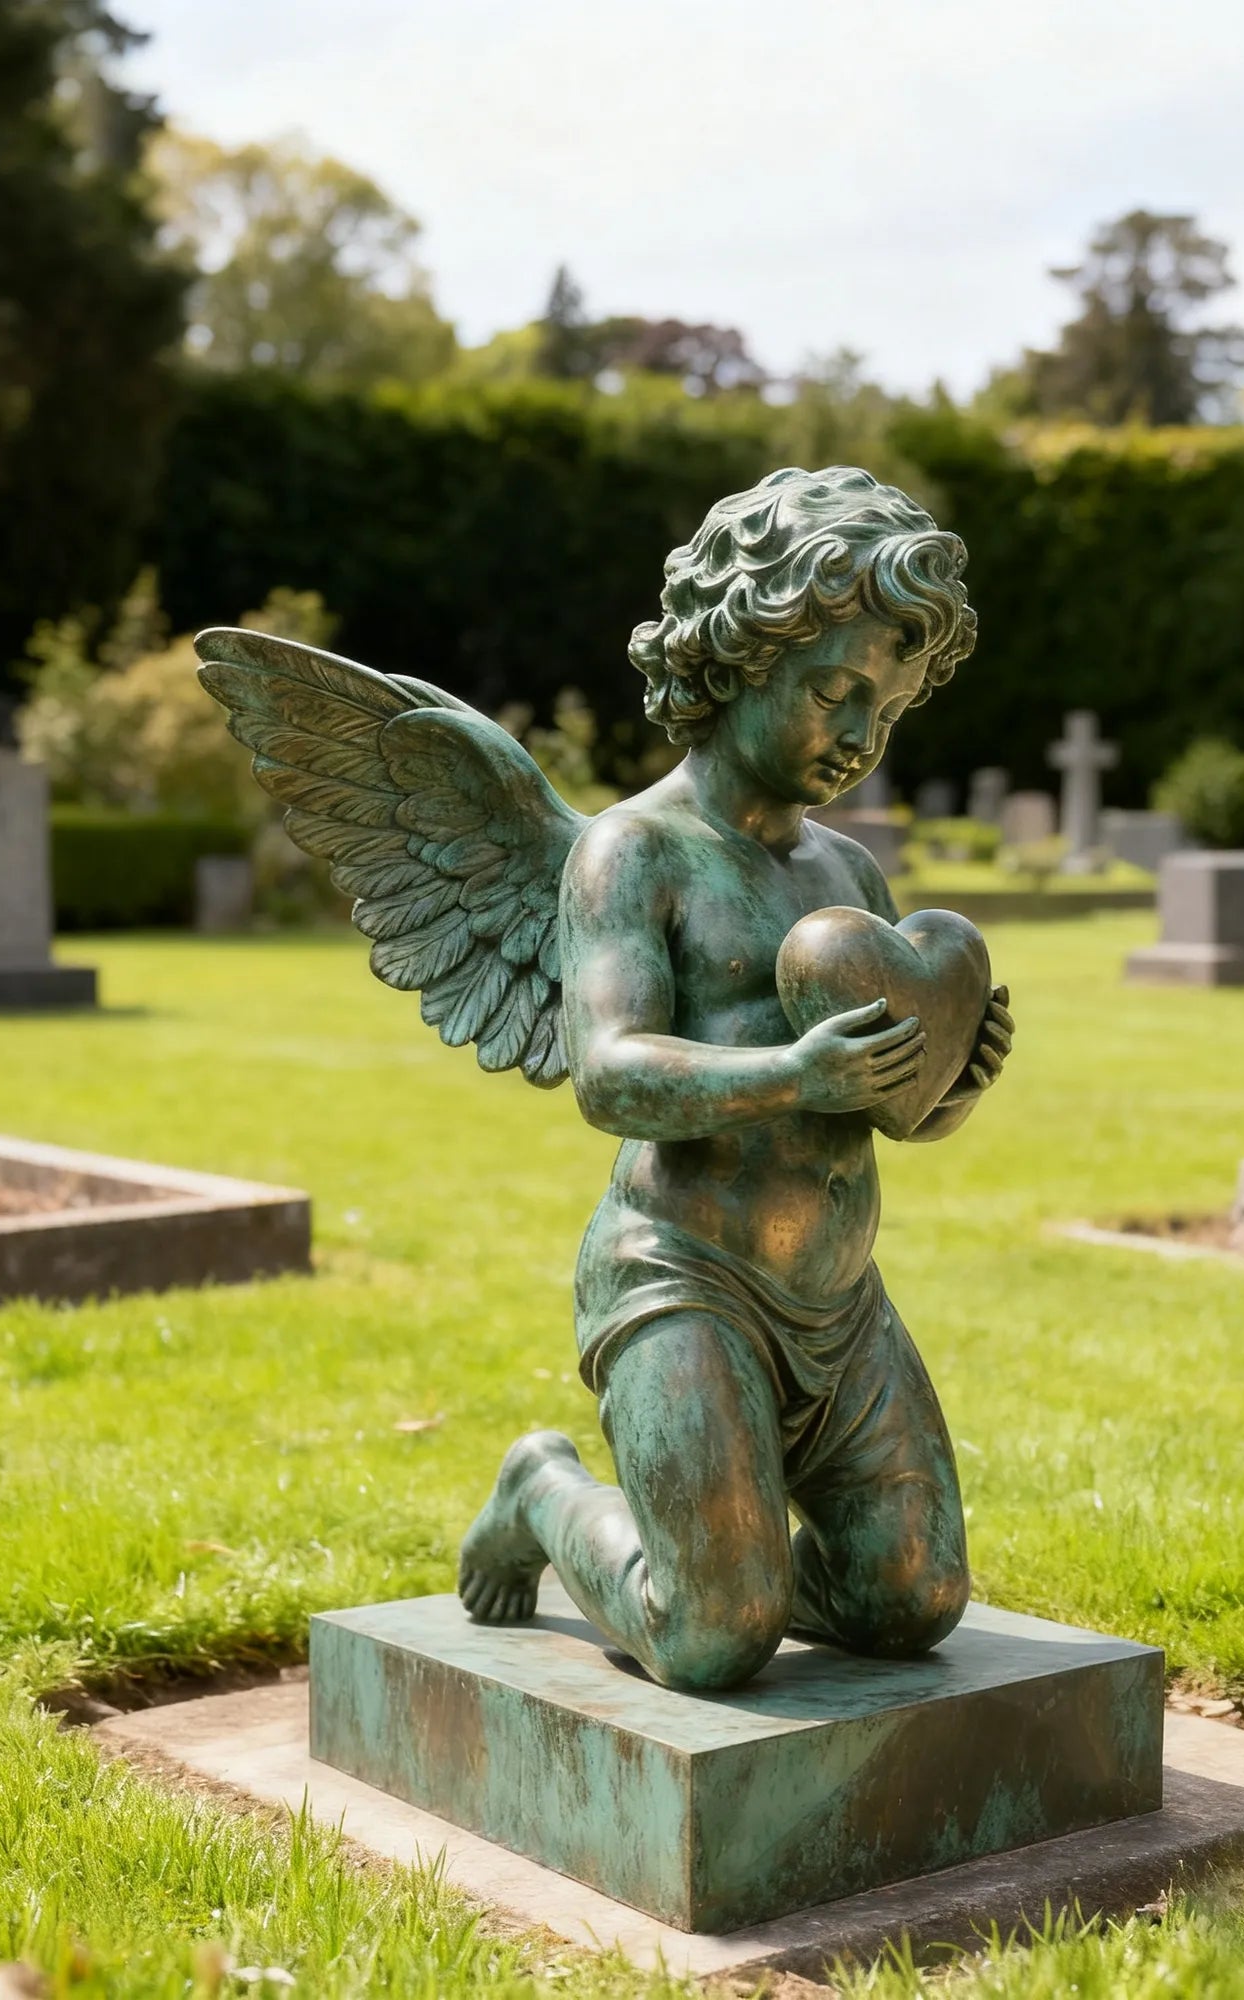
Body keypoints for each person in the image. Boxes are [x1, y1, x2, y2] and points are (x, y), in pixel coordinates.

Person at [457, 467, 1012, 1690]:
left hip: (837, 1298)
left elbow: (889, 1108)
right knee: (713, 1636)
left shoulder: (850, 878)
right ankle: (547, 1492)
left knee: (909, 1596)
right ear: (739, 653)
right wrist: (796, 1071)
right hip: (684, 1280)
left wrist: (953, 1075)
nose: (864, 734)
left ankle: (741, 1555)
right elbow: (609, 1071)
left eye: (892, 707)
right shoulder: (633, 851)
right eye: (836, 691)